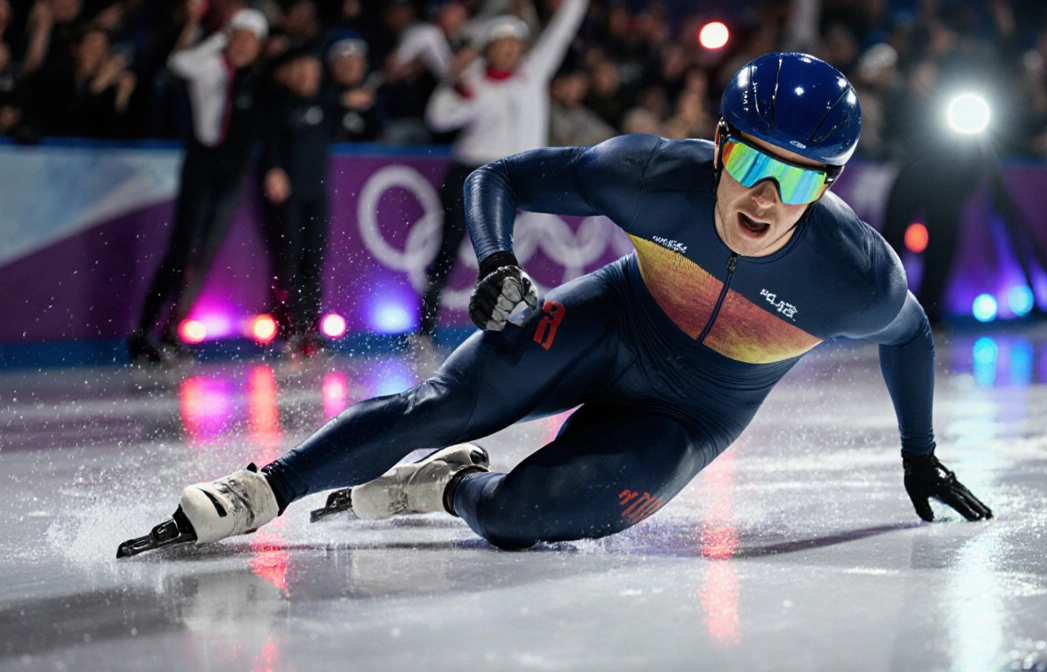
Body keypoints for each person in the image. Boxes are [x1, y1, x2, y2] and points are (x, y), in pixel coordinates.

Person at [118, 53, 992, 559]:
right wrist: (496, 262)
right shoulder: (654, 178)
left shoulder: (853, 273)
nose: (765, 195)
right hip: (611, 322)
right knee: (441, 403)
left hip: (689, 415)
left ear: (831, 184)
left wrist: (918, 453)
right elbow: (499, 176)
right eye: (754, 164)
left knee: (516, 519)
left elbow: (910, 336)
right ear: (720, 145)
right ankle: (260, 490)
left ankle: (450, 484)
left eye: (798, 177)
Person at [412, 0, 586, 353]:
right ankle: (424, 327)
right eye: (501, 45)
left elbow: (563, 28)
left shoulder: (533, 74)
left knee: (504, 254)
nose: (508, 51)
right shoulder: (473, 80)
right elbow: (439, 118)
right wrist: (452, 82)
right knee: (450, 245)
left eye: (514, 45)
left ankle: (507, 325)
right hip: (472, 173)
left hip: (513, 176)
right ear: (488, 48)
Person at [127, 5, 267, 364]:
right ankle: (144, 331)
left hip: (232, 172)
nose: (244, 47)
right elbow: (178, 66)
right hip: (202, 164)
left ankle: (173, 332)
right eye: (240, 38)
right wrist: (220, 39)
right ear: (229, 38)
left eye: (252, 41)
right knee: (182, 249)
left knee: (204, 254)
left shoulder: (256, 80)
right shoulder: (209, 69)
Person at [260, 48, 336, 357]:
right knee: (289, 258)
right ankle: (289, 326)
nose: (309, 78)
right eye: (302, 70)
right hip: (290, 195)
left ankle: (310, 328)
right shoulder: (279, 106)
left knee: (313, 260)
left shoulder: (325, 105)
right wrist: (273, 169)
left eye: (313, 72)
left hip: (317, 195)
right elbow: (271, 146)